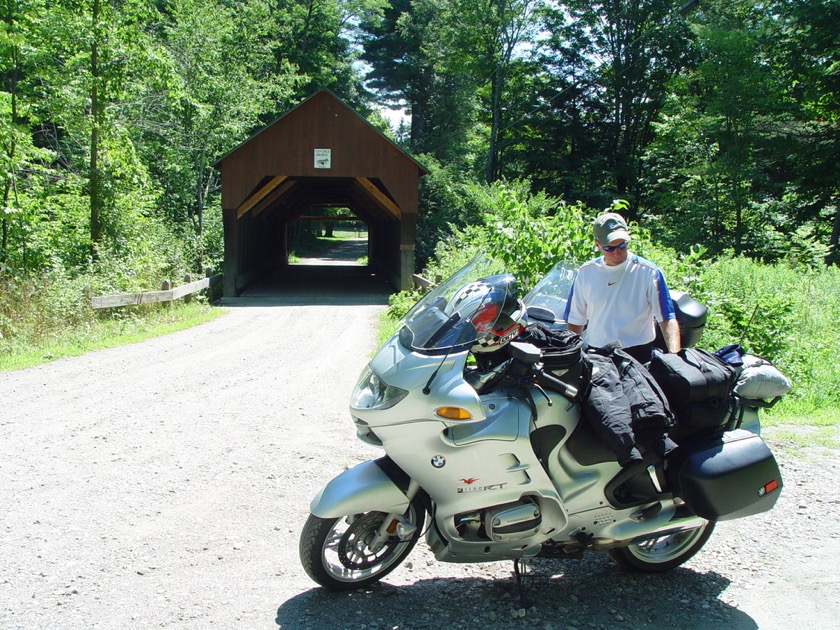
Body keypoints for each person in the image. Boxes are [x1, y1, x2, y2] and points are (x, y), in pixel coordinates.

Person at [563, 212, 681, 363]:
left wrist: (675, 357)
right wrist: (571, 356)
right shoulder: (586, 273)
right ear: (597, 244)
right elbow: (575, 320)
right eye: (610, 248)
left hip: (638, 354)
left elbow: (666, 318)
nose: (617, 252)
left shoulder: (649, 272)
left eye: (622, 245)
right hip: (597, 354)